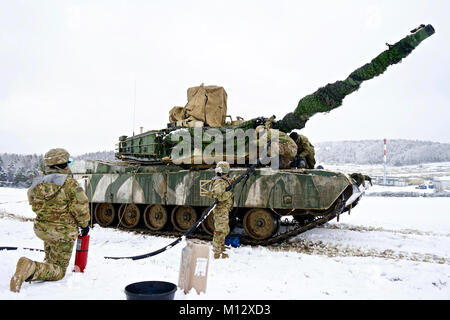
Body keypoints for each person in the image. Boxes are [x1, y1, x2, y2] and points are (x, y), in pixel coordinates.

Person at [10, 148, 91, 293]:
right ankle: (29, 267)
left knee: (51, 257)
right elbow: (81, 208)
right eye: (68, 162)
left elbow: (34, 205)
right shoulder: (70, 184)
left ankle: (44, 265)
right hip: (63, 233)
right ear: (63, 165)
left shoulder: (36, 184)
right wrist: (84, 225)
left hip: (42, 229)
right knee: (59, 271)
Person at [207, 161, 236, 259]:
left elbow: (228, 183)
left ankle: (221, 246)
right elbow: (218, 196)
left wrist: (236, 180)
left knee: (224, 229)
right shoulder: (219, 181)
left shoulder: (223, 180)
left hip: (223, 210)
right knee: (220, 230)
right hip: (220, 210)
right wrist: (229, 194)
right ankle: (216, 251)